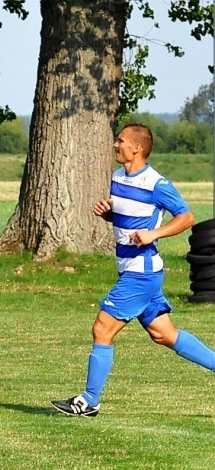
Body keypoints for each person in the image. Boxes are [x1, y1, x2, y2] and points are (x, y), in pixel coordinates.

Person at [52, 123, 215, 417]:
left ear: (136, 148)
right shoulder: (117, 177)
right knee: (164, 334)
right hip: (132, 269)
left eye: (120, 140)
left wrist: (154, 235)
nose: (115, 145)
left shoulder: (156, 184)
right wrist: (109, 214)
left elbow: (187, 217)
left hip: (141, 273)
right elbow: (128, 219)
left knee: (102, 328)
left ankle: (89, 401)